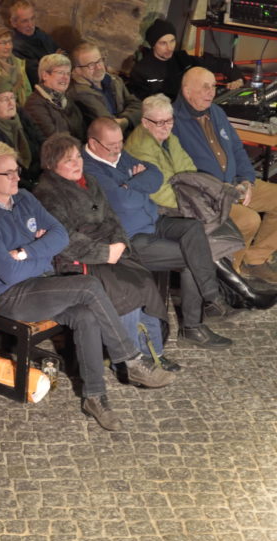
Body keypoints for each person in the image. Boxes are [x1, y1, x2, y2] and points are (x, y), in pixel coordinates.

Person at [0, 141, 175, 431]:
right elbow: (9, 272)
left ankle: (94, 396)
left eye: (16, 170)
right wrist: (40, 247)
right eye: (8, 174)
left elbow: (60, 236)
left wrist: (27, 250)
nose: (16, 177)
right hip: (13, 297)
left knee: (87, 316)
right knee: (88, 286)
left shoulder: (24, 197)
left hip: (45, 283)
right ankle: (131, 359)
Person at [83, 117, 237, 349]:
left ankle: (211, 297)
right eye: (111, 146)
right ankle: (195, 325)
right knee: (190, 257)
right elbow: (123, 203)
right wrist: (135, 180)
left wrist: (131, 183)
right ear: (93, 143)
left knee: (194, 228)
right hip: (130, 238)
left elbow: (155, 177)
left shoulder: (119, 154)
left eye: (120, 143)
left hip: (153, 221)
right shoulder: (89, 168)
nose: (117, 150)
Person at [34, 133, 175, 365]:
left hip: (109, 249)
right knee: (125, 292)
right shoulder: (47, 192)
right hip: (77, 260)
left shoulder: (90, 181)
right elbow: (62, 237)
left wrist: (119, 243)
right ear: (51, 165)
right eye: (68, 160)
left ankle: (154, 353)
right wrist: (104, 253)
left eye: (78, 157)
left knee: (143, 282)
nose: (77, 163)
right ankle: (131, 360)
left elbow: (112, 217)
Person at [171, 67, 277, 285]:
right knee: (249, 220)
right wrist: (225, 192)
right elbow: (182, 176)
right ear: (187, 90)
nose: (211, 92)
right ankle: (233, 279)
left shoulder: (216, 112)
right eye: (205, 87)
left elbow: (237, 150)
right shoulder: (172, 121)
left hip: (235, 184)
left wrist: (246, 180)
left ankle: (254, 260)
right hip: (208, 195)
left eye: (213, 86)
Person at [127, 18, 242, 102]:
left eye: (172, 41)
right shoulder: (141, 71)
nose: (169, 47)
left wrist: (238, 79)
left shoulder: (182, 59)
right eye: (163, 43)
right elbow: (140, 106)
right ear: (153, 45)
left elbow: (223, 64)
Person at [0, 76, 43, 189]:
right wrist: (34, 187)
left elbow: (40, 140)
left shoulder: (20, 114)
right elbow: (5, 171)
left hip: (38, 175)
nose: (11, 103)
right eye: (4, 99)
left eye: (12, 97)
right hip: (18, 184)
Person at [68, 41, 141, 134]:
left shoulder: (115, 80)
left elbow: (137, 105)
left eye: (99, 61)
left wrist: (125, 121)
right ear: (78, 70)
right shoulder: (79, 93)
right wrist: (131, 119)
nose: (98, 67)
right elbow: (109, 124)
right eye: (91, 65)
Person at [23, 53, 83, 140]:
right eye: (60, 72)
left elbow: (81, 131)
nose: (65, 77)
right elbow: (53, 138)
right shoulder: (34, 104)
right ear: (45, 75)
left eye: (68, 73)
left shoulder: (67, 99)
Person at [7, 0, 60, 88]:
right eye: (25, 21)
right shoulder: (15, 47)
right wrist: (55, 62)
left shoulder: (40, 34)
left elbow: (63, 56)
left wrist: (48, 65)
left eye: (32, 18)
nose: (31, 25)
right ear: (14, 23)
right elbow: (36, 76)